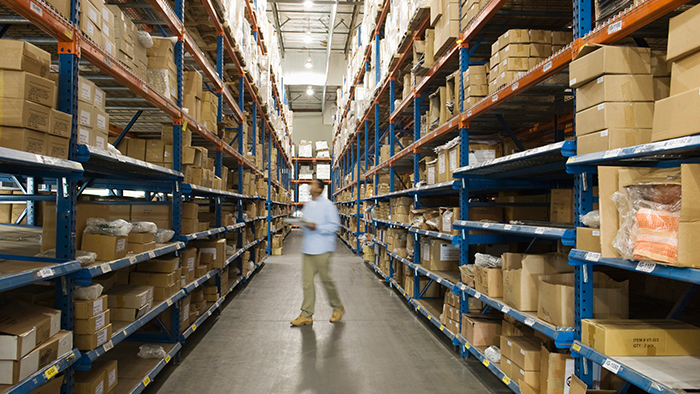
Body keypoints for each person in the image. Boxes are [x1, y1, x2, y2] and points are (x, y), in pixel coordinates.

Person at [291, 179, 344, 326]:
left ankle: (338, 308)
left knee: (326, 280)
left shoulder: (328, 206)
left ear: (319, 189)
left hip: (323, 249)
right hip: (308, 249)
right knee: (307, 283)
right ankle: (306, 315)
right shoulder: (308, 205)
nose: (310, 186)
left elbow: (335, 226)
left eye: (313, 184)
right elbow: (305, 224)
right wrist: (301, 223)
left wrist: (317, 227)